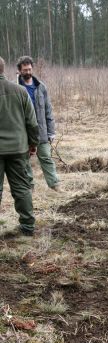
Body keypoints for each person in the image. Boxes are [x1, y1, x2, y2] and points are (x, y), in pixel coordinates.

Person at [0, 56, 39, 236]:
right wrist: (33, 143)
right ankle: (28, 227)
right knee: (22, 188)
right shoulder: (20, 91)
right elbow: (32, 122)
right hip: (18, 148)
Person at [16, 56, 60, 191]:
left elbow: (48, 110)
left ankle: (55, 185)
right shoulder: (15, 88)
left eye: (29, 69)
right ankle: (30, 187)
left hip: (41, 131)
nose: (28, 72)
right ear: (19, 70)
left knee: (46, 157)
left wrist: (51, 131)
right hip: (23, 132)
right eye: (25, 70)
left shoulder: (41, 87)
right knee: (25, 161)